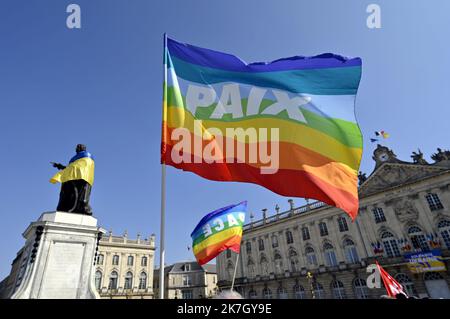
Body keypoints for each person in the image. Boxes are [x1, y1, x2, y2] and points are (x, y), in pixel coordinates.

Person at [50, 144, 95, 215]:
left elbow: (79, 168)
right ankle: (67, 209)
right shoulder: (74, 160)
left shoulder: (86, 156)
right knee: (68, 195)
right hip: (72, 178)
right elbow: (70, 168)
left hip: (82, 178)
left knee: (80, 196)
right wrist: (59, 166)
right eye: (77, 148)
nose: (77, 149)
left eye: (78, 148)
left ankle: (81, 209)